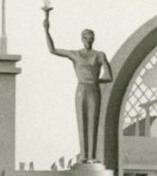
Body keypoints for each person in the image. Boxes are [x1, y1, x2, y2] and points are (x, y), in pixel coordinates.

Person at [44, 20, 113, 162]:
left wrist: (95, 80)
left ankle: (92, 157)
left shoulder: (99, 55)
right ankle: (83, 156)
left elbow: (109, 76)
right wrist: (46, 30)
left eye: (91, 39)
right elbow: (53, 50)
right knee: (82, 121)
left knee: (93, 121)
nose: (89, 41)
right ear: (82, 39)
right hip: (81, 89)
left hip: (93, 89)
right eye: (86, 38)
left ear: (94, 40)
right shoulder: (75, 54)